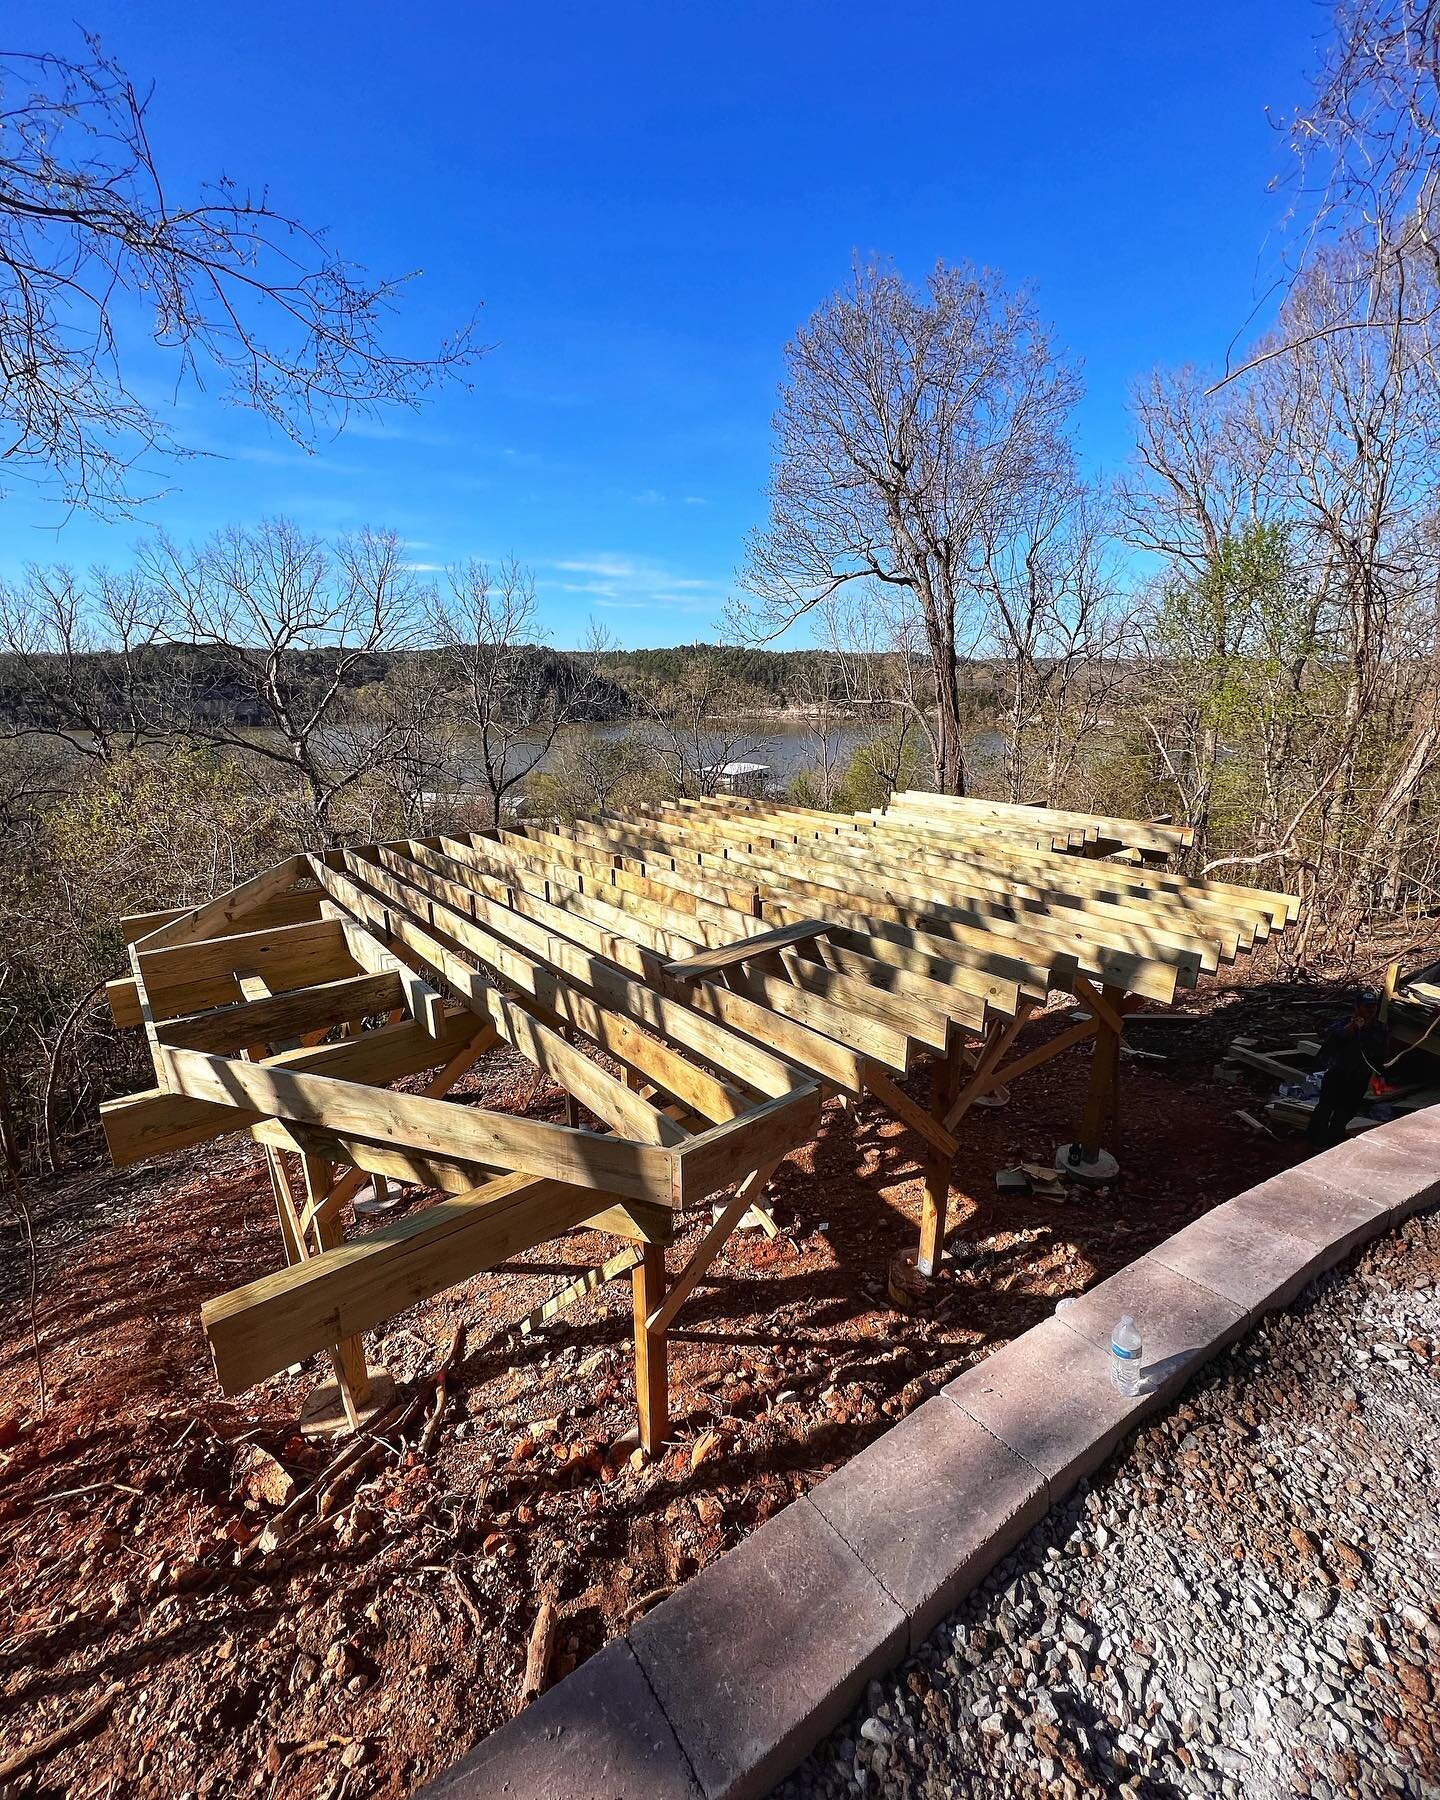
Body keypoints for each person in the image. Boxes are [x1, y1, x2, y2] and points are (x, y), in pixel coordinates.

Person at [1306, 991, 1387, 1150]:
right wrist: (1352, 1028)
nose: (1370, 1010)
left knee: (1345, 1112)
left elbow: (1381, 1053)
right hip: (1338, 1074)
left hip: (1359, 1078)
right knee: (1325, 1108)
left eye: (1373, 1007)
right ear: (1357, 1007)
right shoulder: (1343, 1024)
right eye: (1366, 1007)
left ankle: (1331, 1143)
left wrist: (1380, 1075)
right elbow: (1330, 1041)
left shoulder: (1379, 1029)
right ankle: (1312, 1140)